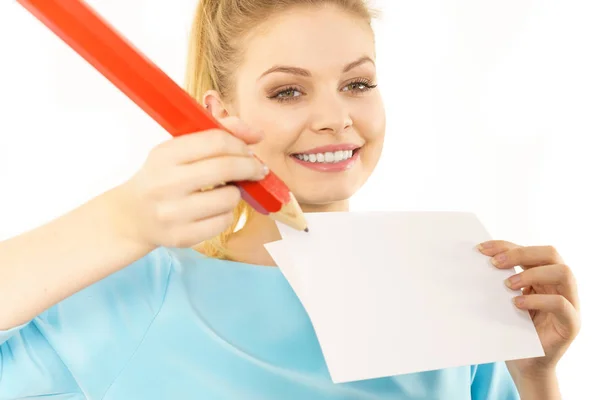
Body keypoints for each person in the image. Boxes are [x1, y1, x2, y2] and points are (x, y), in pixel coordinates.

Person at [0, 0, 581, 399]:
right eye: (288, 91)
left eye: (357, 83)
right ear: (218, 114)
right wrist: (120, 221)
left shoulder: (457, 282)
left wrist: (536, 379)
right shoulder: (142, 296)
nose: (335, 118)